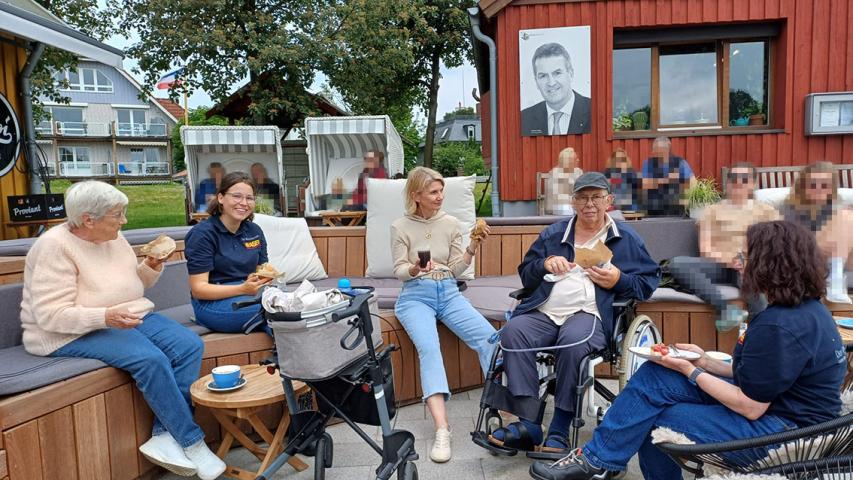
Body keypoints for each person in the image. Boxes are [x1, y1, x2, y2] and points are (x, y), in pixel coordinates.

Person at [529, 220, 846, 480]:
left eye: (747, 256)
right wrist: (705, 361)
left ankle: (598, 460)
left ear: (771, 264)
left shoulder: (778, 324)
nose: (740, 263)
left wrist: (690, 370)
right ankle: (597, 459)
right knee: (657, 372)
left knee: (656, 418)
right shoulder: (808, 310)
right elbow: (767, 374)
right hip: (782, 411)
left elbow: (750, 406)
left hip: (786, 434)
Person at [20, 181, 226, 480]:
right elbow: (50, 316)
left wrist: (151, 266)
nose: (124, 220)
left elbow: (132, 286)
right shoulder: (53, 247)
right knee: (150, 359)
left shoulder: (113, 237)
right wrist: (105, 316)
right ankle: (192, 442)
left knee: (188, 345)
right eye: (118, 214)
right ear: (88, 219)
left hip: (124, 314)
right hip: (68, 331)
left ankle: (165, 435)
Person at [489, 172, 660, 453]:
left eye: (596, 197)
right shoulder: (554, 234)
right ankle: (529, 423)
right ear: (573, 202)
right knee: (513, 332)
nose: (589, 204)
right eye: (582, 198)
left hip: (589, 314)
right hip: (546, 311)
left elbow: (647, 284)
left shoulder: (625, 238)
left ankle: (559, 426)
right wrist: (544, 264)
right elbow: (526, 275)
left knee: (573, 340)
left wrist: (619, 280)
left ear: (608, 201)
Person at [391, 166, 497, 463]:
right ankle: (442, 429)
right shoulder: (400, 226)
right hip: (415, 296)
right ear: (416, 195)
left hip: (449, 292)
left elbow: (456, 268)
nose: (440, 197)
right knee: (430, 349)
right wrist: (415, 269)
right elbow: (399, 270)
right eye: (433, 192)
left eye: (441, 191)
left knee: (490, 338)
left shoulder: (451, 223)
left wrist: (472, 247)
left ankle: (503, 409)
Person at [669, 163, 780, 331]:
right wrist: (730, 261)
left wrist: (750, 262)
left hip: (752, 265)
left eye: (744, 179)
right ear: (727, 182)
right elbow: (705, 249)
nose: (738, 182)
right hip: (719, 266)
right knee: (677, 264)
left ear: (753, 184)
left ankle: (763, 329)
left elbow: (777, 245)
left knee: (748, 277)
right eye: (733, 178)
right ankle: (725, 309)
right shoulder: (711, 211)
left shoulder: (768, 212)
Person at [185, 172, 273, 334]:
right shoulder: (202, 234)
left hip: (249, 296)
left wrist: (264, 278)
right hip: (211, 303)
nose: (244, 203)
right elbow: (199, 289)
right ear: (221, 198)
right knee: (276, 311)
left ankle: (282, 349)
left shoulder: (254, 231)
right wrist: (243, 289)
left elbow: (262, 271)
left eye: (249, 198)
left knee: (288, 312)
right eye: (237, 196)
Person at [781, 161, 853, 304]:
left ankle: (835, 280)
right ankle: (835, 282)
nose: (819, 190)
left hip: (837, 259)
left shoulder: (837, 205)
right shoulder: (791, 208)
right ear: (803, 186)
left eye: (824, 185)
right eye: (813, 185)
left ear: (832, 188)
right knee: (847, 216)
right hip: (806, 256)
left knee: (848, 217)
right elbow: (791, 243)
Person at [521, 43, 591, 136]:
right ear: (536, 81)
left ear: (570, 74)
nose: (551, 83)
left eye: (557, 73)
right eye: (543, 76)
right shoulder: (524, 119)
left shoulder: (594, 110)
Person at [640, 137, 695, 216]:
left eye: (659, 151)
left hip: (677, 209)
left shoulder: (680, 163)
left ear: (667, 150)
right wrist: (666, 180)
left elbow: (692, 182)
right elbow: (644, 184)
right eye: (655, 150)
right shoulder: (648, 163)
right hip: (655, 209)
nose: (655, 153)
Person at [544, 147, 584, 216]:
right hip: (559, 205)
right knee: (567, 210)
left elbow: (582, 189)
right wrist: (575, 202)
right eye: (575, 159)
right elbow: (558, 197)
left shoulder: (578, 172)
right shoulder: (556, 174)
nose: (578, 160)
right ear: (568, 161)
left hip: (575, 203)